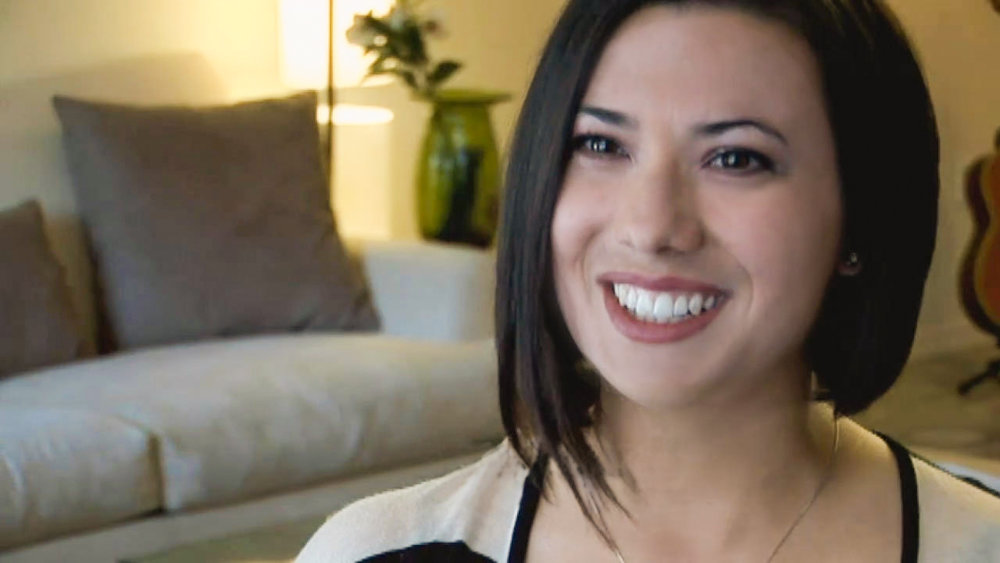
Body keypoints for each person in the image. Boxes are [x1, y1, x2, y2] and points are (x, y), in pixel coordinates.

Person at [297, 0, 1000, 561]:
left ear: (859, 219)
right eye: (601, 144)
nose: (652, 225)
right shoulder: (374, 551)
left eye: (736, 158)